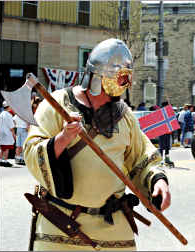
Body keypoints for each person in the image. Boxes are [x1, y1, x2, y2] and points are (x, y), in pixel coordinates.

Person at [23, 38, 171, 250]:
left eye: (124, 79)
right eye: (115, 78)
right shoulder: (56, 104)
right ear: (95, 76)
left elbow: (142, 158)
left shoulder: (124, 116)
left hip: (114, 228)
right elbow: (31, 151)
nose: (120, 85)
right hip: (61, 226)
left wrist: (158, 182)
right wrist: (63, 138)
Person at [0, 101, 16, 167]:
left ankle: (0, 160)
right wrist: (13, 134)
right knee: (7, 148)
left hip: (1, 133)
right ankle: (5, 160)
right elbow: (11, 127)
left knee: (2, 148)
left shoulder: (1, 114)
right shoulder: (8, 115)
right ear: (9, 106)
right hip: (7, 133)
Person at [158, 101, 174, 167]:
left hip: (168, 131)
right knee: (162, 146)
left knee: (167, 146)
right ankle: (160, 159)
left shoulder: (169, 112)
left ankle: (166, 159)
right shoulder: (160, 112)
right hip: (162, 131)